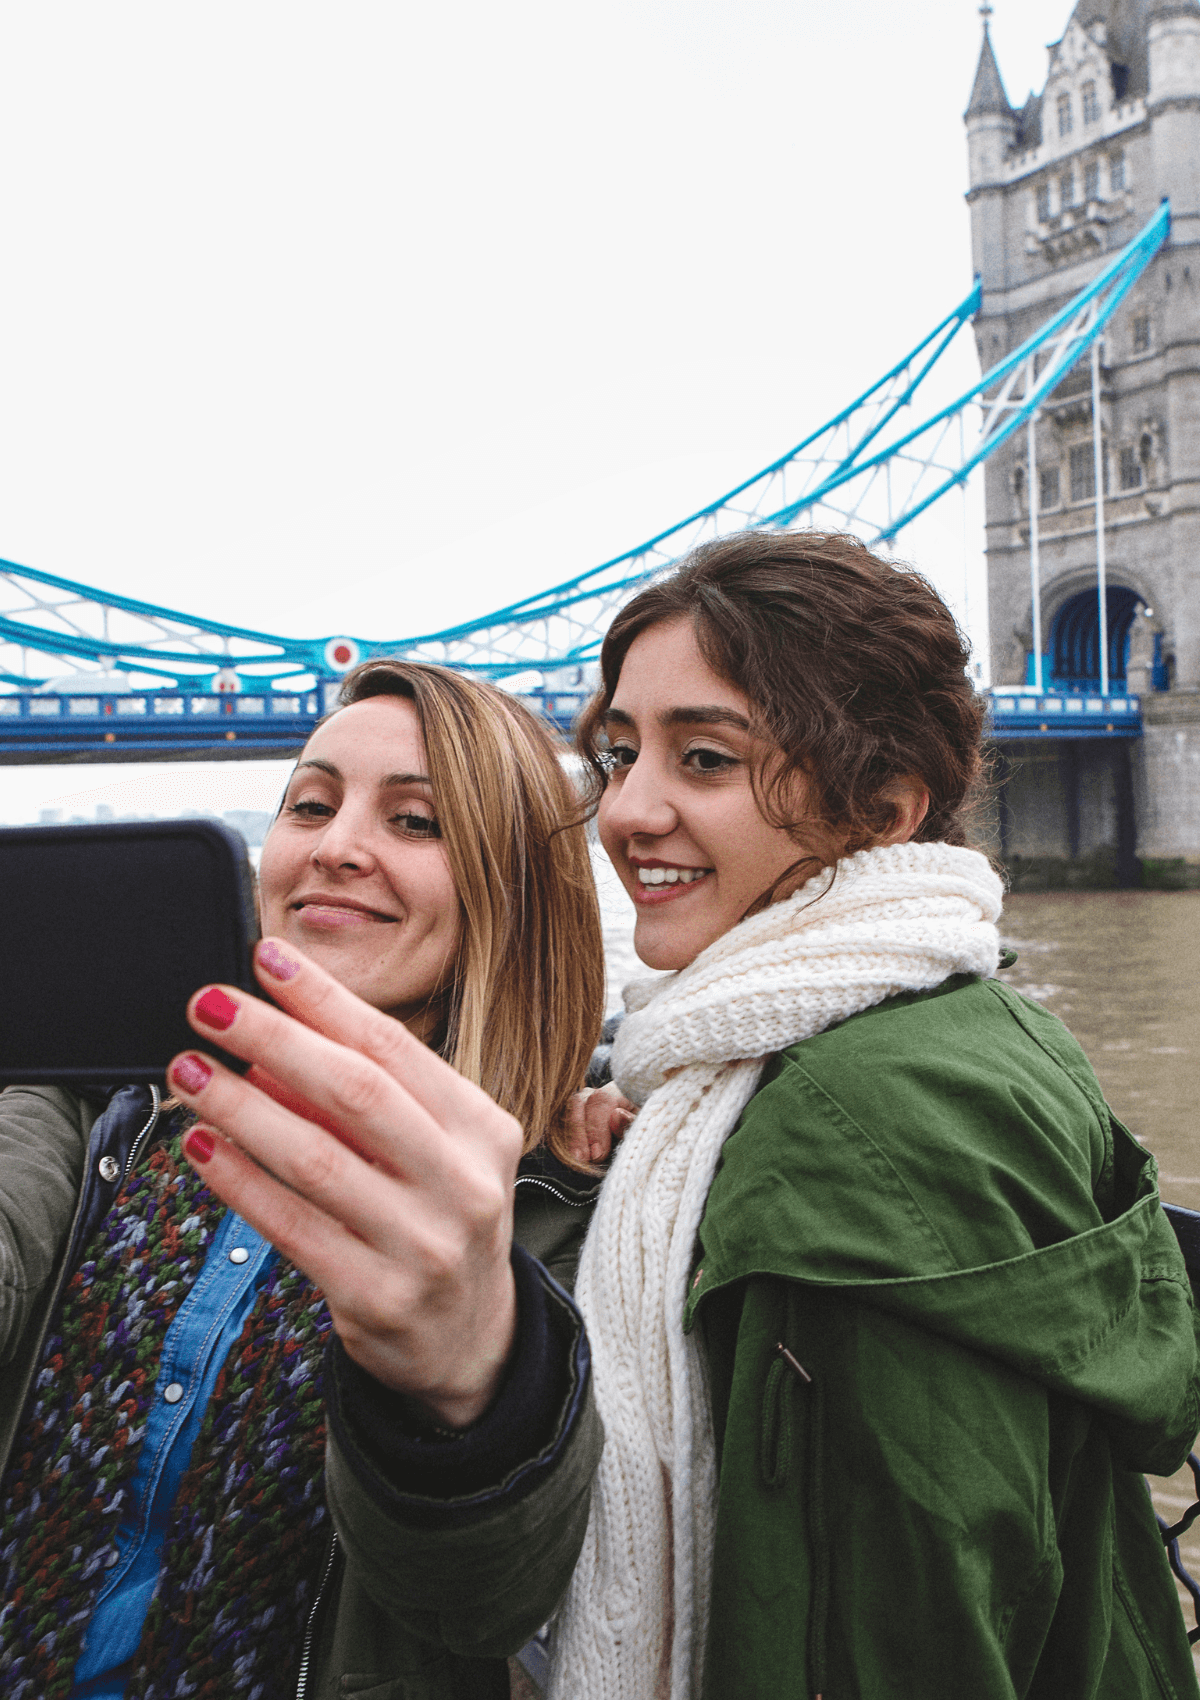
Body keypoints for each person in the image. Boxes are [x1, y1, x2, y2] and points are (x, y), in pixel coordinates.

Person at [540, 529, 1200, 1699]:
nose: (627, 811)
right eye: (621, 751)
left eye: (703, 759)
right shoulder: (949, 1023)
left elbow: (911, 1627)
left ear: (884, 805)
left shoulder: (855, 1117)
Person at [0, 658, 617, 1700]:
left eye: (416, 822)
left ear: (511, 890)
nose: (336, 847)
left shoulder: (576, 1196)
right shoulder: (101, 1113)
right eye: (311, 804)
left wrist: (468, 1377)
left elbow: (485, 1598)